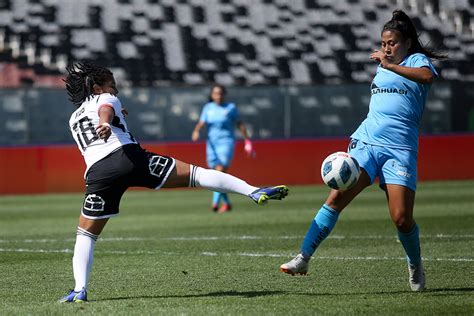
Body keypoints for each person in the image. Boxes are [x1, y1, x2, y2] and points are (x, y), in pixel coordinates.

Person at [59, 62, 288, 303]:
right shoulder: (106, 98)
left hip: (99, 173)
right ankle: (253, 191)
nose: (115, 91)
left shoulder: (74, 118)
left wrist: (112, 119)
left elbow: (103, 115)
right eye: (111, 86)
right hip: (130, 158)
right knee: (197, 175)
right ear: (97, 88)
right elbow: (105, 109)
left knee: (85, 235)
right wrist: (107, 121)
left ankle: (79, 289)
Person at [279, 10, 445, 292]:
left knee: (401, 218)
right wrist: (387, 65)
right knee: (336, 199)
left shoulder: (416, 62)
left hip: (400, 149)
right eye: (383, 43)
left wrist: (391, 65)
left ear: (406, 43)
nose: (386, 48)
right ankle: (303, 257)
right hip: (366, 142)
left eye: (392, 42)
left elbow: (427, 78)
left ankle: (415, 266)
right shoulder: (383, 66)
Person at [192, 84, 255, 213]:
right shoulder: (208, 108)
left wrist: (247, 140)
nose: (218, 96)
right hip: (212, 144)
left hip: (226, 142)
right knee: (215, 174)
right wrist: (196, 131)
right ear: (212, 95)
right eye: (216, 93)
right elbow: (202, 122)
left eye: (220, 93)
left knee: (220, 171)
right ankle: (227, 203)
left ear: (224, 94)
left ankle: (215, 203)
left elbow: (240, 124)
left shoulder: (230, 108)